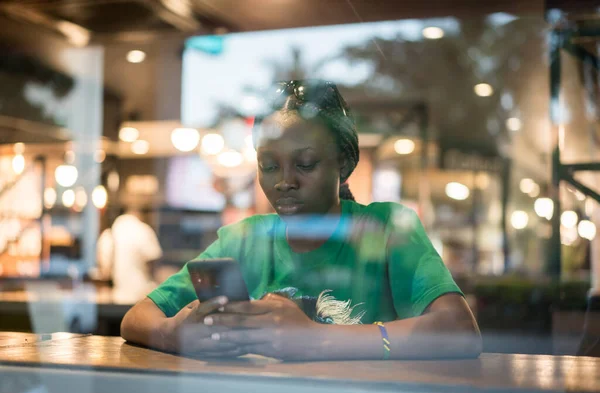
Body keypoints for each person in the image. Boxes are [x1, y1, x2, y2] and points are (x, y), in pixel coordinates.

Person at [121, 80, 481, 361]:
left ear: (343, 163)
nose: (284, 181)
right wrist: (174, 334)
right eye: (269, 166)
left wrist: (316, 338)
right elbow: (138, 316)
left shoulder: (386, 229)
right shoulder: (244, 239)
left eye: (305, 164)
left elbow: (460, 330)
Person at [97, 208, 162, 302]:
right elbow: (154, 266)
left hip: (116, 297)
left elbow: (105, 272)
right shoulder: (143, 230)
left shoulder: (107, 235)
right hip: (141, 297)